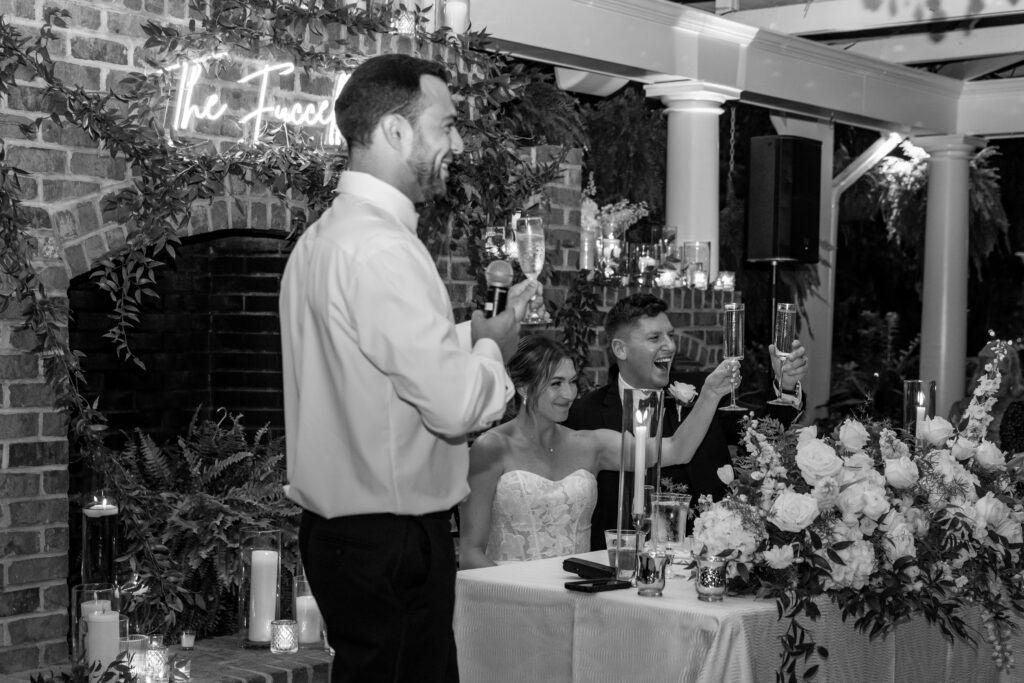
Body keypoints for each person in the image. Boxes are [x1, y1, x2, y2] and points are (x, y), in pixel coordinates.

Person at [279, 54, 540, 683]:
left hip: (344, 538)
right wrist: (491, 350)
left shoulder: (323, 239)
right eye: (446, 125)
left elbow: (367, 359)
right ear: (396, 131)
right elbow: (454, 410)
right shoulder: (384, 249)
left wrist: (467, 333)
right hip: (391, 544)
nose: (457, 142)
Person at [458, 336, 736, 569]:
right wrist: (519, 595)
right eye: (556, 384)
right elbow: (470, 552)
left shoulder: (591, 445)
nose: (569, 393)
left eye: (573, 381)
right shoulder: (491, 447)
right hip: (509, 600)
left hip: (577, 595)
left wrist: (711, 394)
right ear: (523, 388)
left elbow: (676, 450)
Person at [564, 293, 808, 550]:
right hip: (623, 562)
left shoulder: (704, 392)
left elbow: (763, 437)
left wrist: (786, 386)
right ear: (620, 349)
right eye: (655, 338)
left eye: (670, 335)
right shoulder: (585, 415)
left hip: (711, 552)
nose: (669, 345)